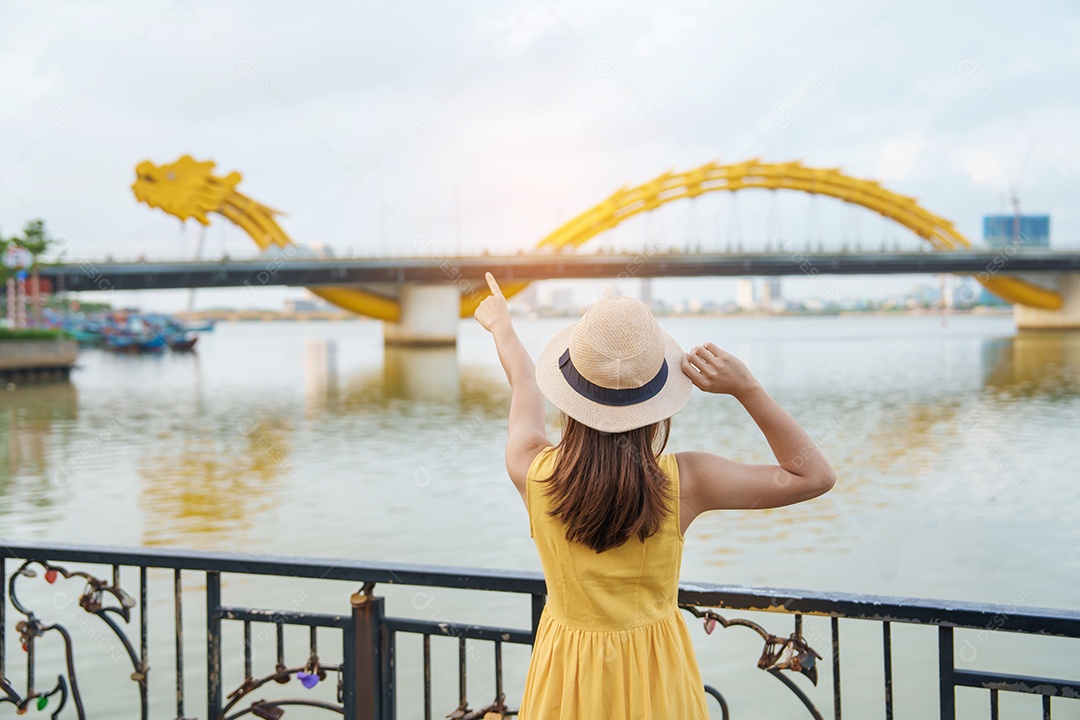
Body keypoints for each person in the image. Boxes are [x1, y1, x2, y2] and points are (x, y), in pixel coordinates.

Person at [474, 273, 836, 719]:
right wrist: (747, 389)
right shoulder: (687, 480)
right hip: (656, 674)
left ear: (569, 394)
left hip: (566, 674)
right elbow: (813, 476)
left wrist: (501, 326)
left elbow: (524, 383)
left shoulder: (533, 470)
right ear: (657, 403)